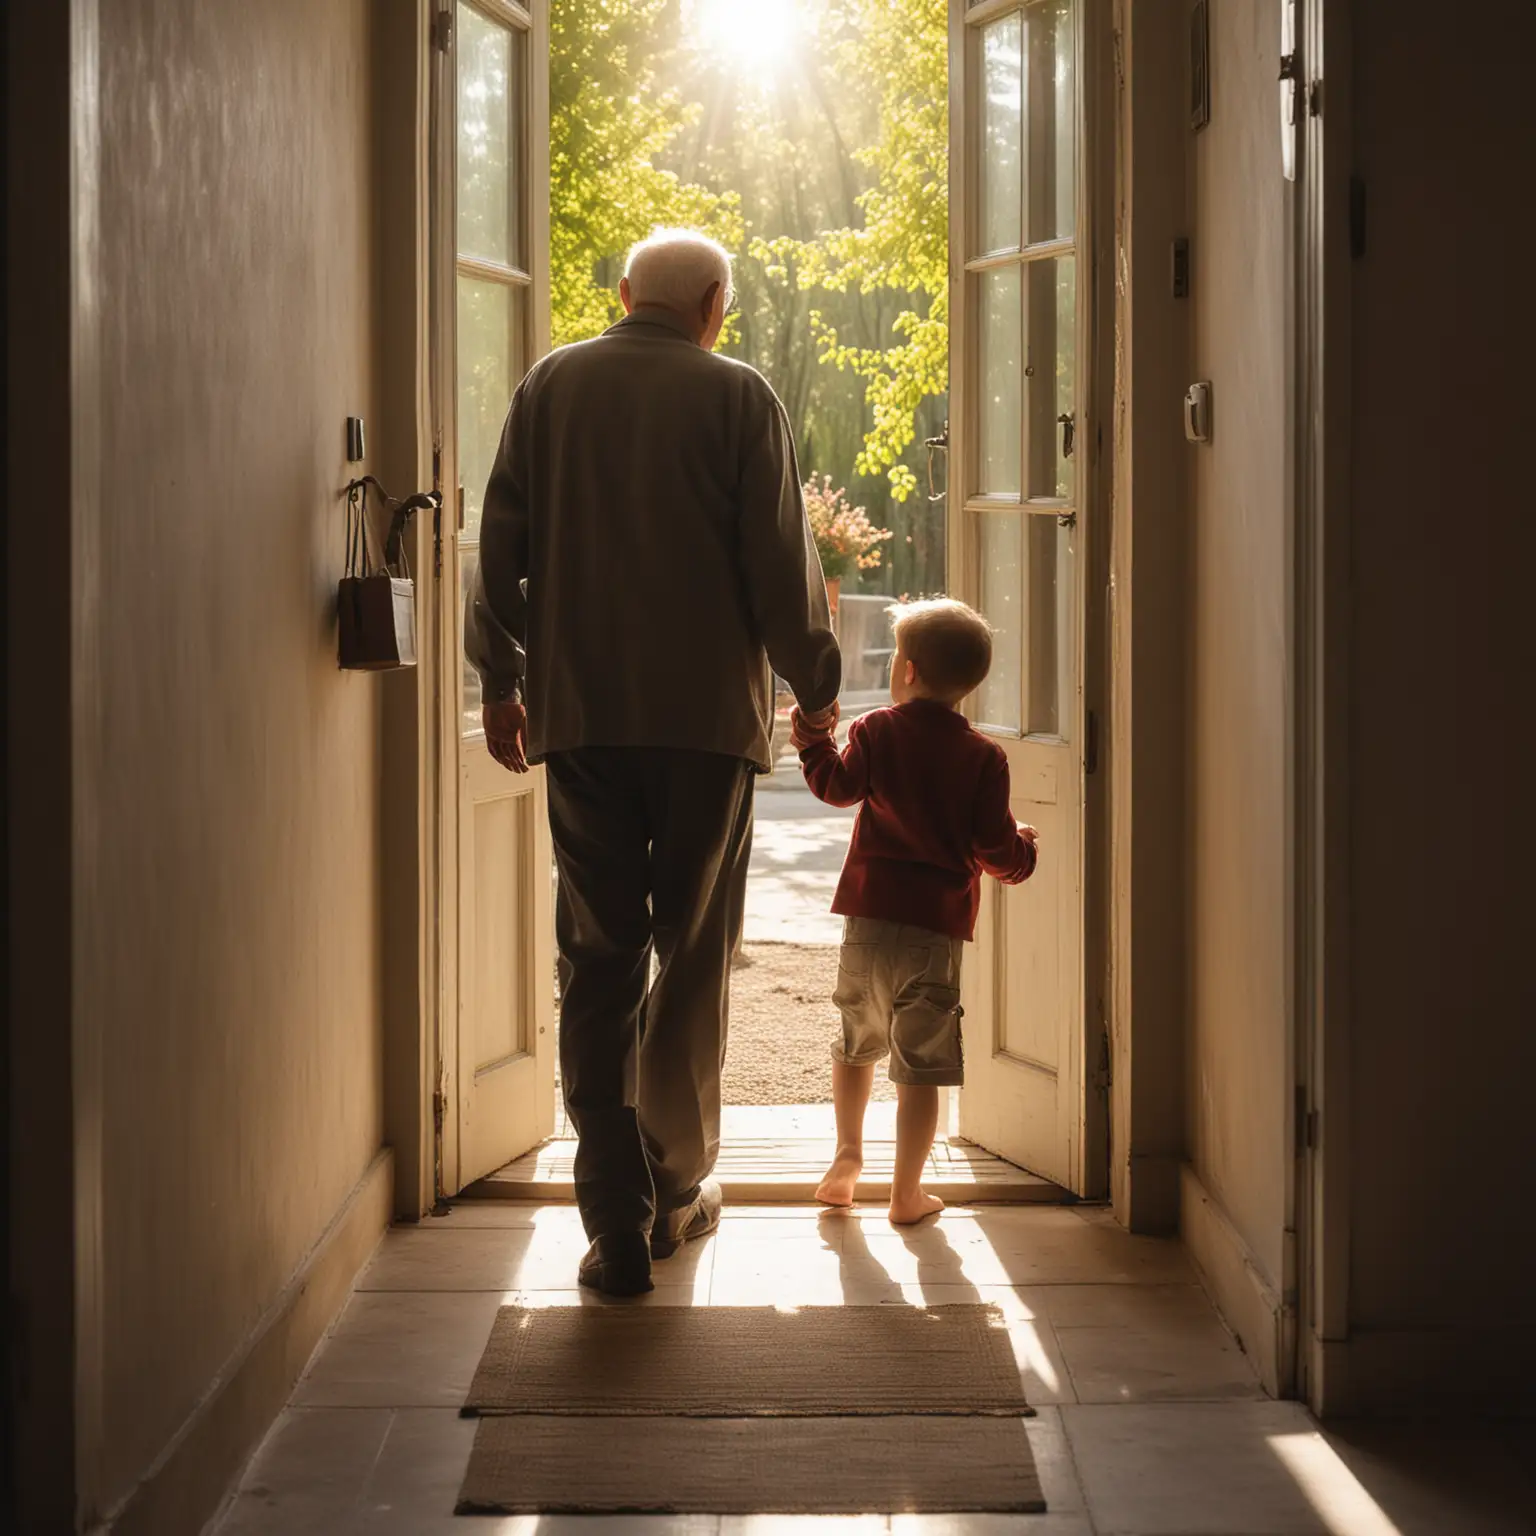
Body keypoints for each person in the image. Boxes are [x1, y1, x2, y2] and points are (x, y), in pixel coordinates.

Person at [465, 229, 841, 1295]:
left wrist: (500, 683)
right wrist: (816, 694)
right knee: (689, 961)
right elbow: (780, 559)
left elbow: (501, 549)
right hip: (705, 728)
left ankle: (614, 1221)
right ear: (715, 304)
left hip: (581, 719)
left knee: (598, 958)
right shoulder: (739, 397)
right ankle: (678, 1188)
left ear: (625, 293)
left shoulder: (550, 387)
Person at [790, 599, 1037, 1224]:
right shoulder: (985, 758)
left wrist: (813, 739)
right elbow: (993, 847)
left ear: (905, 669)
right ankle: (906, 1193)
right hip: (934, 929)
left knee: (855, 1043)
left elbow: (836, 788)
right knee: (920, 1064)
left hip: (868, 920)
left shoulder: (876, 730)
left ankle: (846, 1158)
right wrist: (1024, 851)